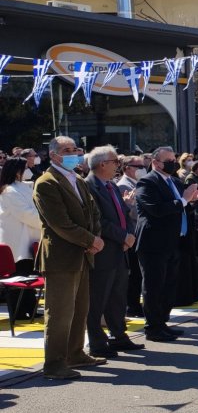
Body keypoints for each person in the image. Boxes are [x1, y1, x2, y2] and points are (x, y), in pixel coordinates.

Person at [32, 136, 105, 380]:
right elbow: (59, 223)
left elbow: (93, 212)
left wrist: (95, 237)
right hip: (61, 257)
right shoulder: (46, 182)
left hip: (82, 253)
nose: (74, 153)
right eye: (67, 150)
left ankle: (75, 353)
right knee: (60, 312)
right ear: (53, 155)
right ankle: (54, 363)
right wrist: (90, 240)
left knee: (80, 308)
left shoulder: (79, 180)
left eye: (75, 149)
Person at [135, 146, 198, 342]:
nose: (173, 162)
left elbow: (183, 206)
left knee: (169, 285)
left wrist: (191, 201)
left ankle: (163, 322)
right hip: (153, 242)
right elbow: (155, 209)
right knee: (154, 286)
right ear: (156, 163)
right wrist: (183, 200)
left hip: (174, 241)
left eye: (174, 158)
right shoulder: (147, 182)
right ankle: (153, 327)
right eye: (168, 160)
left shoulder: (174, 181)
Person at [83, 146, 142, 358]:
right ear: (102, 164)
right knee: (98, 297)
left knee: (117, 296)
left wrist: (128, 235)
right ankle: (97, 343)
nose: (118, 164)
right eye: (115, 161)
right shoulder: (89, 186)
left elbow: (123, 213)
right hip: (103, 249)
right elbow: (98, 220)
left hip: (118, 249)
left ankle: (119, 336)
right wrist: (122, 236)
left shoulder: (111, 186)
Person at [0, 158, 42, 324]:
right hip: (17, 239)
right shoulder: (10, 190)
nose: (28, 170)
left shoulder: (22, 187)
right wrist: (47, 221)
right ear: (17, 171)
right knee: (17, 276)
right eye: (25, 168)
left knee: (28, 274)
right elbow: (25, 214)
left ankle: (30, 309)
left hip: (29, 236)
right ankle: (17, 311)